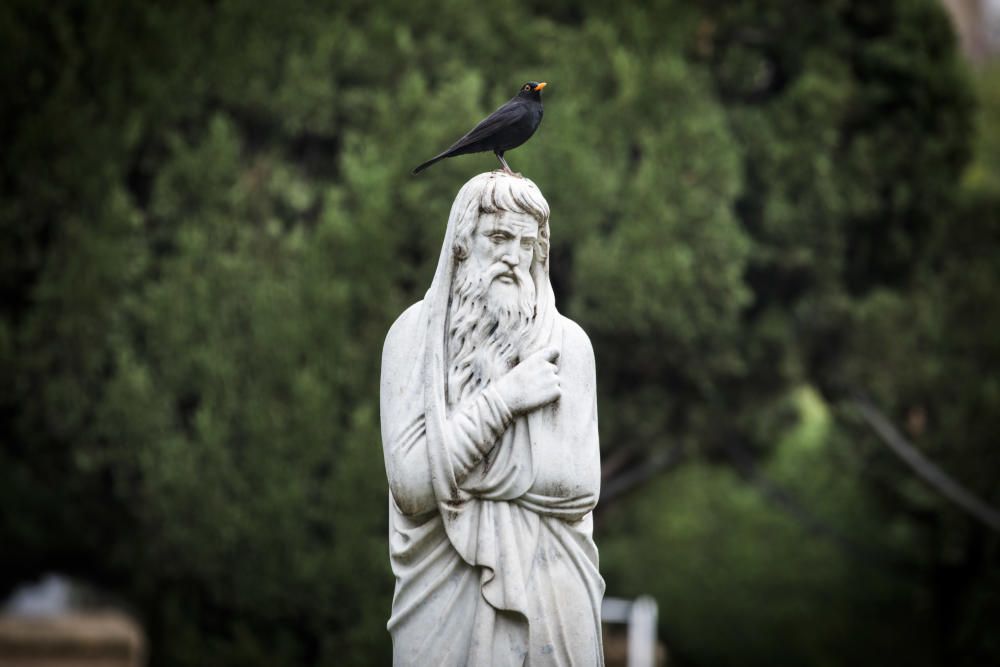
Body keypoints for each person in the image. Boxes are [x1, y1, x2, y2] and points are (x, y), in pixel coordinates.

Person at [379, 171, 604, 666]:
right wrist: (506, 400)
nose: (512, 256)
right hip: (439, 592)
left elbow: (578, 485)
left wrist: (455, 464)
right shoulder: (413, 339)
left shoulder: (568, 347)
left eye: (526, 243)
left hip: (552, 590)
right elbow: (413, 485)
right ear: (462, 242)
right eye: (498, 236)